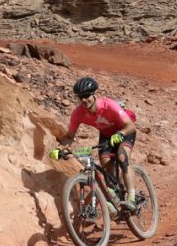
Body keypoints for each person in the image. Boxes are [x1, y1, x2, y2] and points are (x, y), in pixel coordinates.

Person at [59, 76, 139, 208]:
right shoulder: (78, 114)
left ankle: (132, 197)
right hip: (107, 135)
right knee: (105, 164)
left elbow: (131, 126)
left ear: (94, 94)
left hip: (124, 130)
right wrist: (59, 148)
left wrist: (121, 134)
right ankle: (116, 197)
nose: (84, 100)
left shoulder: (109, 105)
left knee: (122, 156)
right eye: (80, 97)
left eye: (86, 96)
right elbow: (69, 136)